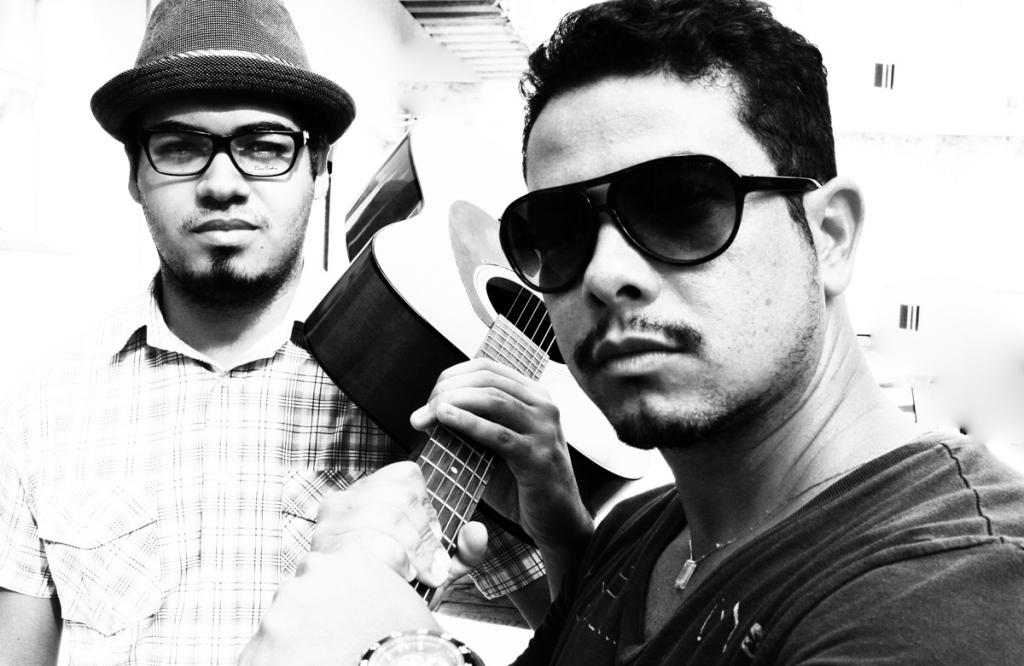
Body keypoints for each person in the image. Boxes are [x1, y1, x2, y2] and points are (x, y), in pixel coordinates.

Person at [239, 0, 1024, 664]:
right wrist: (567, 549)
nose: (606, 273)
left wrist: (374, 640)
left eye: (682, 205)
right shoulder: (637, 536)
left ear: (831, 236)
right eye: (558, 231)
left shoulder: (954, 586)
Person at [0, 0, 552, 663]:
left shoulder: (416, 384)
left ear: (318, 168)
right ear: (134, 174)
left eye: (264, 146)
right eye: (180, 147)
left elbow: (582, 631)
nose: (221, 184)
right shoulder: (43, 408)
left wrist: (558, 513)